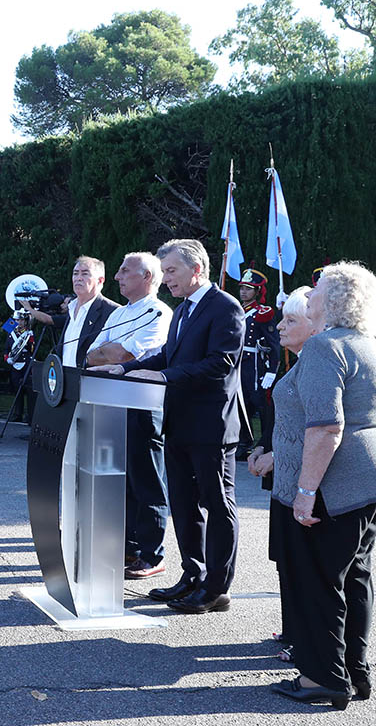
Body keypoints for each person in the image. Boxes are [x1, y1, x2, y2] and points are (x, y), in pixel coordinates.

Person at [89, 239, 247, 615]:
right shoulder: (183, 310)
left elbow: (220, 364)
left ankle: (216, 588)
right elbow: (167, 354)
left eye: (172, 270)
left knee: (217, 505)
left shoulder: (226, 307)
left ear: (197, 270)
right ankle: (192, 575)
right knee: (184, 504)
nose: (166, 278)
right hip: (178, 424)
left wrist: (162, 376)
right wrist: (125, 368)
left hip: (210, 427)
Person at [259, 264, 376, 709]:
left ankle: (320, 678)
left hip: (328, 486)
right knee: (354, 578)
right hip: (362, 484)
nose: (309, 296)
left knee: (317, 581)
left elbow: (326, 427)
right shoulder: (365, 343)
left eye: (318, 290)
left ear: (336, 299)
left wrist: (306, 491)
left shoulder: (325, 346)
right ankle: (354, 672)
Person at [85, 252, 174, 579]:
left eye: (126, 271)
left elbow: (122, 354)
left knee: (148, 480)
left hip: (142, 403)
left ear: (147, 277)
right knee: (121, 480)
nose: (119, 276)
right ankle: (129, 547)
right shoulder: (119, 313)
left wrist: (108, 353)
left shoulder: (158, 312)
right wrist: (105, 353)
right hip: (111, 402)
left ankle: (152, 554)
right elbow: (92, 352)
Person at [246, 287, 313, 669]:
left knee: (302, 561)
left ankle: (304, 638)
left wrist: (275, 455)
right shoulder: (294, 363)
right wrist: (258, 446)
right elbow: (277, 417)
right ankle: (291, 631)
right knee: (284, 558)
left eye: (290, 320)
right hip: (280, 476)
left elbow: (320, 429)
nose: (280, 326)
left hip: (299, 477)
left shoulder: (318, 364)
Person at [23, 255, 120, 368]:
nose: (78, 278)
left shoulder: (114, 311)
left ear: (100, 280)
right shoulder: (71, 309)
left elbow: (118, 357)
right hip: (65, 381)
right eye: (75, 273)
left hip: (92, 382)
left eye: (85, 274)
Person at [238, 268, 281, 451]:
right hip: (238, 363)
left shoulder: (263, 313)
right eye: (242, 288)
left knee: (261, 405)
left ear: (257, 292)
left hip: (255, 365)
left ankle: (265, 443)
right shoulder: (236, 310)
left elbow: (274, 344)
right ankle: (244, 442)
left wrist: (272, 371)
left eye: (248, 289)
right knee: (241, 405)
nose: (243, 292)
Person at [4, 312, 35, 423]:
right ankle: (18, 413)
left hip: (26, 364)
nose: (19, 322)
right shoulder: (11, 333)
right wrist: (7, 358)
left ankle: (30, 415)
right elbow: (6, 349)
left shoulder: (29, 333)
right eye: (17, 320)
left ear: (25, 321)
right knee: (17, 389)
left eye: (21, 320)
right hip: (15, 363)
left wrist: (28, 341)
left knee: (28, 390)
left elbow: (32, 350)